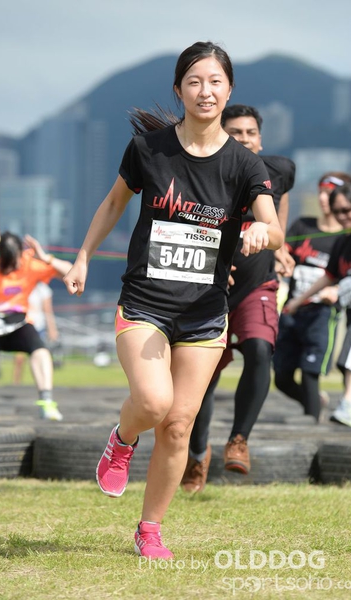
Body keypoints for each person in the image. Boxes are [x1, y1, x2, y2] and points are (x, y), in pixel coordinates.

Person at [63, 41, 284, 560]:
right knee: (153, 403)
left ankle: (150, 529)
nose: (205, 91)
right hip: (145, 303)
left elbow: (274, 227)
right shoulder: (149, 149)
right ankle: (122, 439)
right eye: (194, 82)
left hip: (205, 314)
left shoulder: (244, 164)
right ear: (179, 89)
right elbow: (113, 203)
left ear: (229, 90)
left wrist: (261, 232)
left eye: (215, 82)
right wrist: (82, 258)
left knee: (179, 424)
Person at [180, 104, 296, 493]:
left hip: (258, 286)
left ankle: (239, 440)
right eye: (236, 133)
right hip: (209, 289)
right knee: (202, 380)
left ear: (260, 139)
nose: (244, 139)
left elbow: (280, 199)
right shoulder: (203, 173)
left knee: (260, 350)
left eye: (250, 133)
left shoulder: (279, 169)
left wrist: (280, 241)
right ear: (220, 135)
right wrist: (210, 260)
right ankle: (198, 455)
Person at [284, 184, 351, 427]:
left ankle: (347, 404)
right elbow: (329, 276)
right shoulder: (343, 242)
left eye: (346, 209)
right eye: (337, 212)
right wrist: (297, 301)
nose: (342, 216)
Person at [273, 172, 351, 421]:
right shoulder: (302, 226)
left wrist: (337, 290)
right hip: (292, 311)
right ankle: (315, 402)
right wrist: (279, 266)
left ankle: (312, 420)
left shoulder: (348, 238)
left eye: (329, 193)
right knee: (282, 378)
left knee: (310, 372)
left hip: (322, 314)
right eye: (320, 192)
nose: (322, 198)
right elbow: (282, 257)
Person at [0, 220, 72, 420]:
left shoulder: (28, 262)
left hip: (18, 324)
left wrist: (46, 258)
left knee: (40, 349)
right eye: (3, 266)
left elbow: (71, 272)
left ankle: (46, 401)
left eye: (12, 266)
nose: (8, 271)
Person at [13, 282, 59, 384]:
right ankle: (16, 384)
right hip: (23, 325)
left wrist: (52, 329)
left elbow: (48, 310)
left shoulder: (43, 289)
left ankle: (42, 384)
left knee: (38, 356)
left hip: (38, 327)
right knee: (19, 358)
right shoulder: (22, 283)